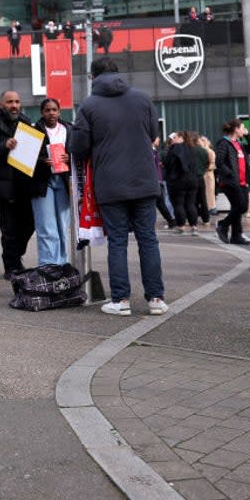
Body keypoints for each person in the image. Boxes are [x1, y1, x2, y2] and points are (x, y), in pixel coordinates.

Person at [70, 58, 167, 317]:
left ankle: (121, 300)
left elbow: (78, 146)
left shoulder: (89, 105)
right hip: (145, 181)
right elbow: (152, 132)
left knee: (118, 242)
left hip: (110, 183)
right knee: (148, 240)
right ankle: (156, 298)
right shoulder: (143, 99)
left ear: (93, 77)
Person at [0, 90, 37, 279]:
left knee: (29, 223)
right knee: (9, 227)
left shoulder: (26, 121)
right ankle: (11, 265)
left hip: (23, 183)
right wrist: (4, 145)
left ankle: (15, 256)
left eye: (17, 101)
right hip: (2, 184)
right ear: (1, 104)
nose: (14, 105)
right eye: (10, 102)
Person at [31, 97, 72, 266]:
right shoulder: (33, 130)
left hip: (63, 180)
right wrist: (42, 161)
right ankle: (48, 265)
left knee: (62, 225)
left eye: (54, 109)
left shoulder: (69, 129)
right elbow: (25, 157)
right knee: (46, 226)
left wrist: (69, 157)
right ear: (42, 113)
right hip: (42, 182)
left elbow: (79, 152)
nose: (51, 113)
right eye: (47, 110)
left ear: (59, 111)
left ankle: (62, 264)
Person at [214, 119, 250, 246]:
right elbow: (219, 161)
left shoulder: (238, 143)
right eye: (242, 128)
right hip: (231, 182)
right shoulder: (224, 143)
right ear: (235, 129)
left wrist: (247, 135)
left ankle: (236, 236)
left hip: (242, 181)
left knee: (239, 207)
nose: (243, 130)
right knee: (240, 206)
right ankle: (223, 225)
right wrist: (230, 174)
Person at [162, 131, 201, 236]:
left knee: (178, 204)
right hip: (192, 180)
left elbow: (167, 163)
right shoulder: (192, 148)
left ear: (180, 138)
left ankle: (181, 227)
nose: (173, 139)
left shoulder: (174, 149)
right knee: (190, 204)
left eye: (175, 137)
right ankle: (194, 227)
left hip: (177, 180)